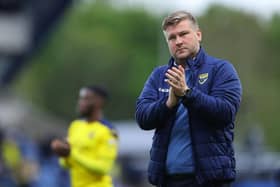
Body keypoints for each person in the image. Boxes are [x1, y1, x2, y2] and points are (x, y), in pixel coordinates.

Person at [135, 11, 242, 187]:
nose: (178, 41)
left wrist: (187, 93)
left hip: (209, 180)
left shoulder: (221, 69)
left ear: (198, 35)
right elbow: (142, 117)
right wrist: (169, 103)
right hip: (168, 180)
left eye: (183, 34)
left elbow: (226, 112)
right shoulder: (159, 75)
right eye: (172, 37)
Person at [51, 85, 118, 187]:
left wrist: (71, 154)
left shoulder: (108, 131)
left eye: (86, 99)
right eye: (80, 99)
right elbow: (64, 165)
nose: (80, 102)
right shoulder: (75, 126)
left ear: (99, 102)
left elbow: (104, 168)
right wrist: (63, 153)